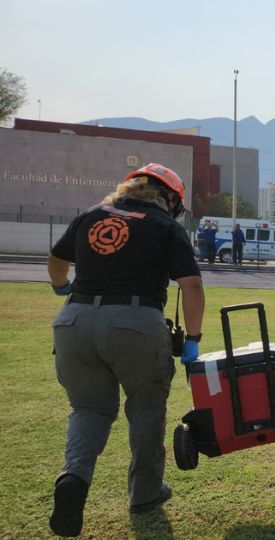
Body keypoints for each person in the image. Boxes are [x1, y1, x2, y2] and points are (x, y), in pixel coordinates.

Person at [46, 163, 205, 537]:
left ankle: (74, 477)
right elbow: (192, 286)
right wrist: (194, 337)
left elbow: (56, 261)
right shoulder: (165, 226)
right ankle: (144, 493)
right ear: (169, 197)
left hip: (74, 321)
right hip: (136, 321)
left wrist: (61, 289)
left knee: (88, 410)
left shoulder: (91, 215)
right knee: (146, 408)